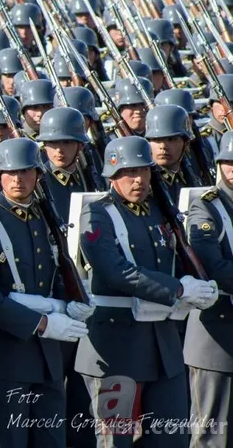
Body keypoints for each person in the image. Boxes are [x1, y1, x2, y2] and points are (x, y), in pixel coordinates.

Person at [76, 136, 217, 448]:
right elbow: (116, 271)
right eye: (129, 172)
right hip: (117, 347)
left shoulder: (158, 211)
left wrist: (197, 285)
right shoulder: (97, 215)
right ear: (112, 175)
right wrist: (179, 288)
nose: (138, 179)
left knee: (172, 438)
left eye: (143, 171)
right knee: (116, 440)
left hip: (163, 346)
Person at [0, 137, 91, 448]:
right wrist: (42, 323)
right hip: (5, 358)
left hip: (47, 359)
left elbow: (57, 272)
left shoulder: (44, 217)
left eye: (25, 172)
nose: (18, 179)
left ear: (37, 174)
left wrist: (72, 301)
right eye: (10, 172)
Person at [184, 131, 233, 448]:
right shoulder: (206, 207)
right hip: (218, 335)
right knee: (213, 435)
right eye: (229, 162)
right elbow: (212, 266)